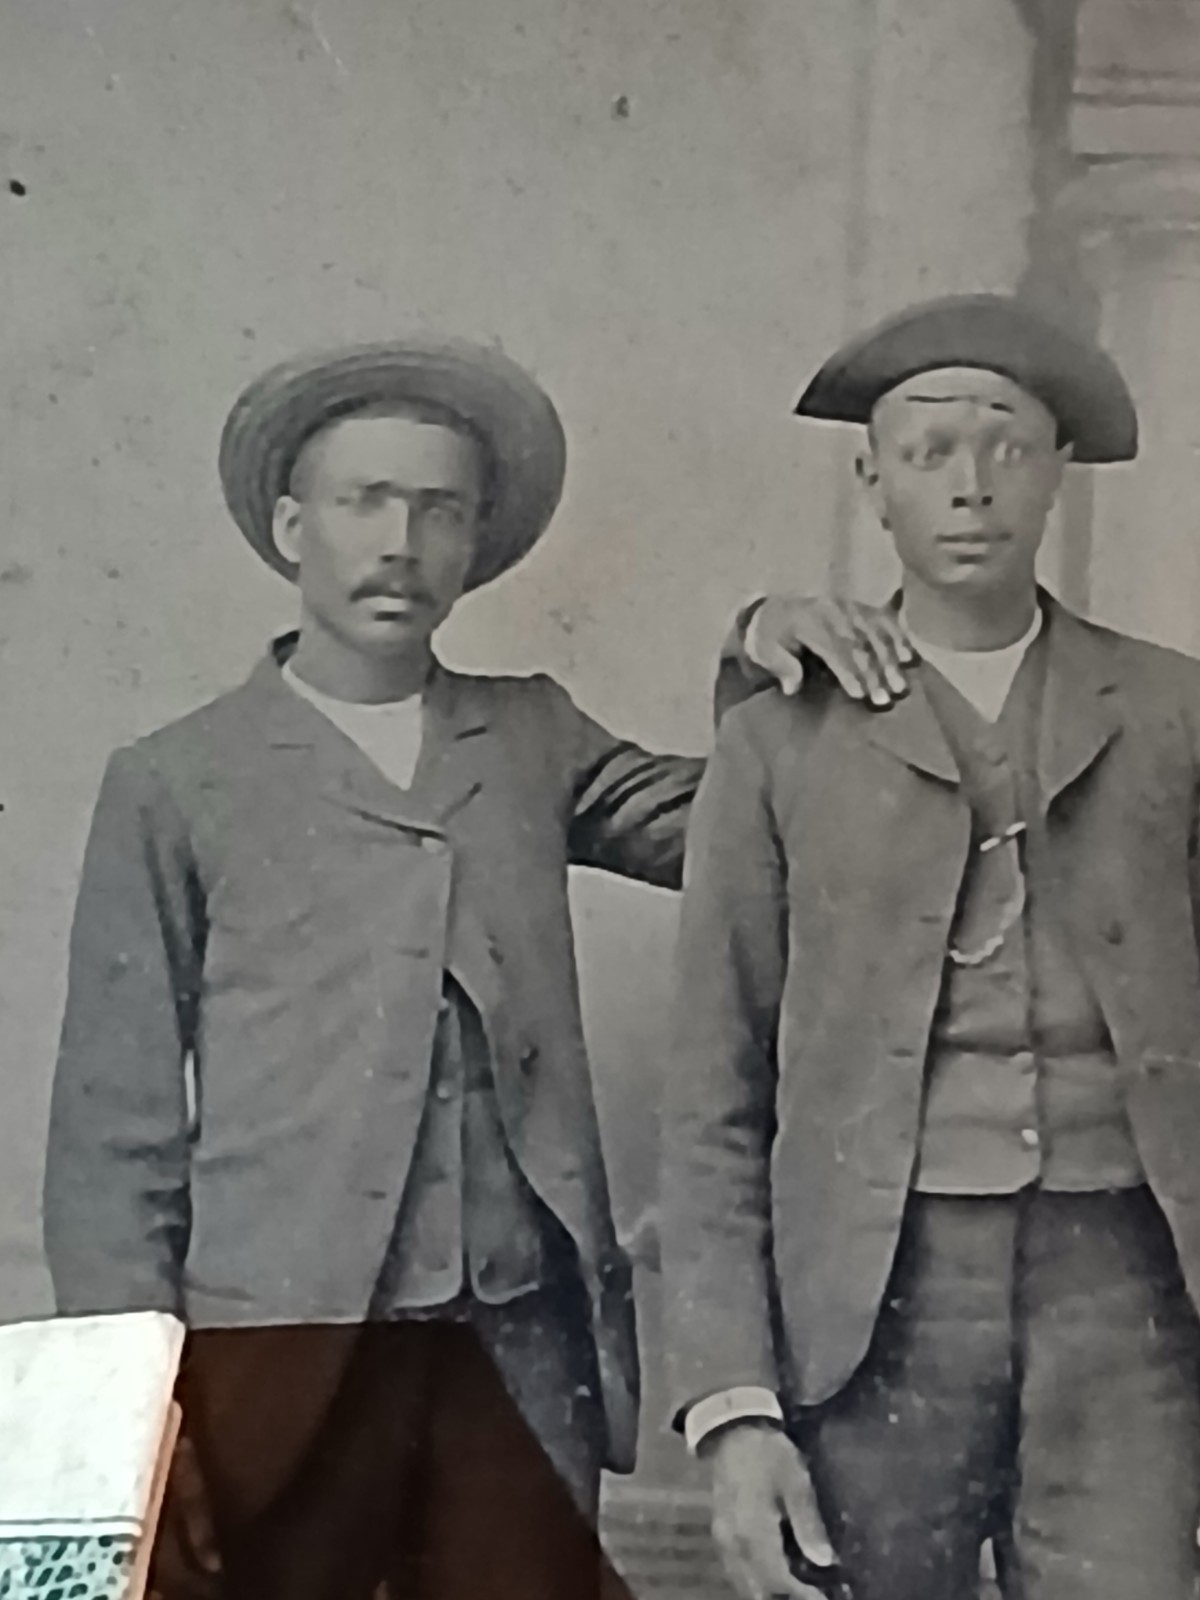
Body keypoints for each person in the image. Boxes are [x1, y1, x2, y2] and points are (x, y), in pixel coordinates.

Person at [42, 338, 909, 1600]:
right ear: (292, 528)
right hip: (276, 1352)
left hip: (520, 1339)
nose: (400, 542)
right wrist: (130, 1413)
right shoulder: (178, 781)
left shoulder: (530, 730)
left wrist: (757, 648)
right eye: (365, 501)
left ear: (473, 542)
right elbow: (110, 1143)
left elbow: (733, 834)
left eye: (438, 509)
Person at [662, 293, 1200, 1600]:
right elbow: (713, 1098)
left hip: (1128, 1297)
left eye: (1007, 446)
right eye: (928, 451)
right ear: (873, 482)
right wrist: (733, 1404)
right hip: (873, 1308)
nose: (971, 486)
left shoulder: (1174, 712)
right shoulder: (778, 740)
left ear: (1058, 471)